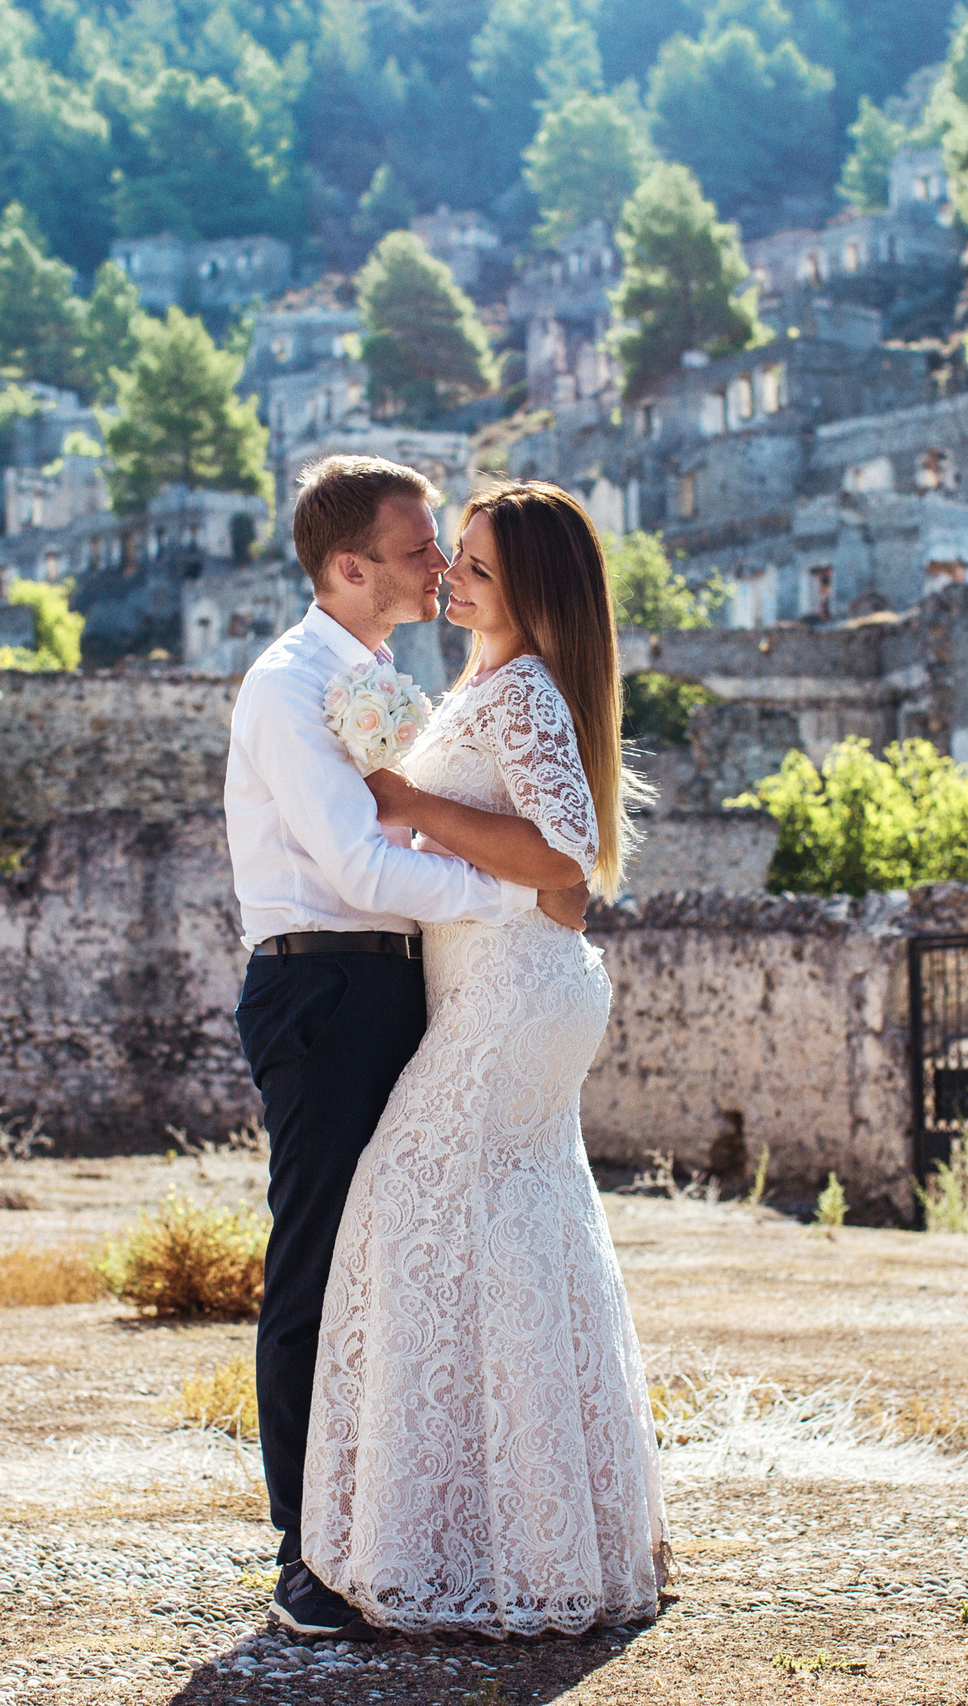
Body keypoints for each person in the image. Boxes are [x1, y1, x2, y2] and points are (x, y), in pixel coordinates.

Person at [224, 456, 592, 1638]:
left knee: (401, 1258)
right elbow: (358, 867)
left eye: (452, 549)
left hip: (406, 985)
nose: (439, 566)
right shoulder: (290, 687)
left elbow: (443, 826)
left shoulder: (384, 674)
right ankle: (304, 1551)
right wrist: (512, 896)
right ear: (348, 566)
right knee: (321, 1263)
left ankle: (405, 1523)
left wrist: (500, 886)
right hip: (324, 984)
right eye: (421, 546)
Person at [300, 479, 670, 1637]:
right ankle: (541, 1533)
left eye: (479, 568)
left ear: (534, 593)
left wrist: (405, 795)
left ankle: (461, 1538)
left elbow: (565, 854)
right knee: (516, 1229)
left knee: (407, 1202)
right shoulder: (490, 682)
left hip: (514, 993)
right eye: (454, 555)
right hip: (509, 986)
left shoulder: (517, 689)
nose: (451, 577)